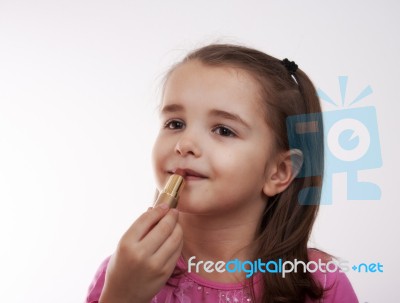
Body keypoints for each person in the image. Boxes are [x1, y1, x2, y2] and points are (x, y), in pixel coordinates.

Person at [86, 44, 359, 303]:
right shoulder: (123, 273)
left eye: (223, 130)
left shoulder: (320, 282)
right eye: (175, 123)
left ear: (278, 172)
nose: (185, 144)